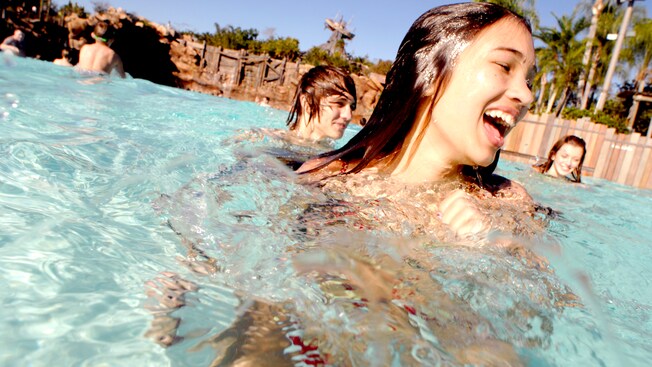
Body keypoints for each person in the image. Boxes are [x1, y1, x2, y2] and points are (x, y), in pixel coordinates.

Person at [297, 2, 536, 239]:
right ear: (431, 74)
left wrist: (494, 243)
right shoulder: (326, 176)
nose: (527, 96)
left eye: (528, 82)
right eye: (505, 66)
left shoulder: (508, 201)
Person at [286, 65, 357, 144]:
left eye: (352, 106)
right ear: (308, 103)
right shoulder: (274, 144)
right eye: (339, 103)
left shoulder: (333, 153)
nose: (348, 116)